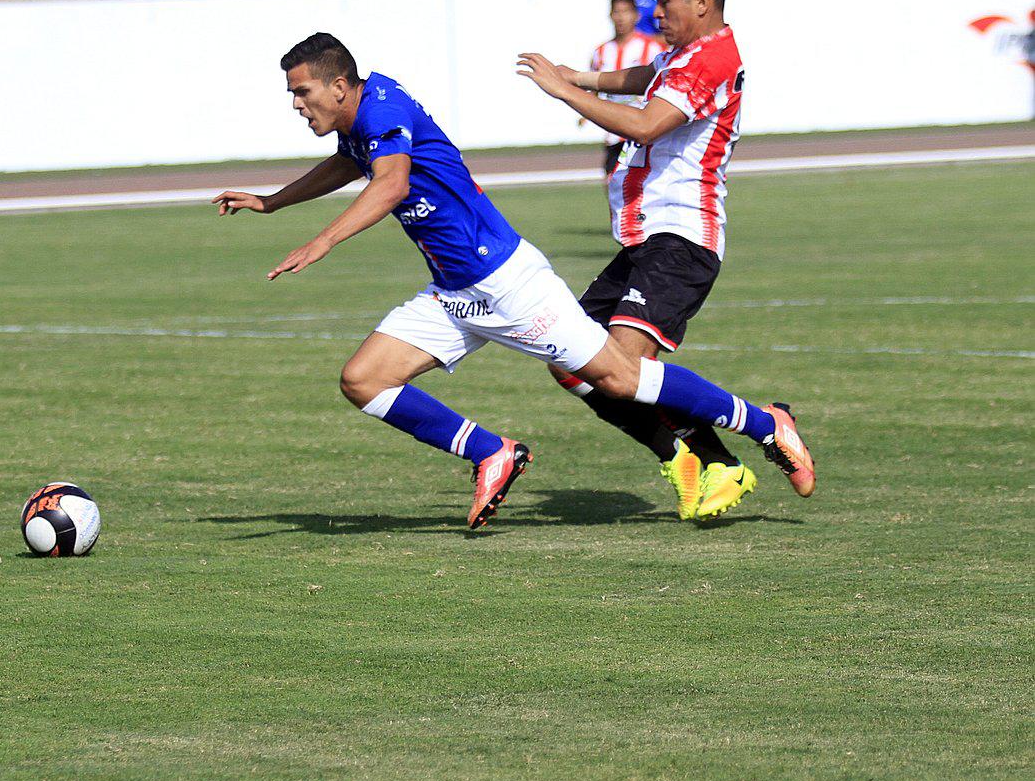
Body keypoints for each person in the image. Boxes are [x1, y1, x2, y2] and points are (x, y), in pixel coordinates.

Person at [212, 32, 815, 530]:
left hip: (506, 283)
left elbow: (390, 182)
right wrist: (273, 203)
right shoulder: (366, 114)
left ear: (338, 86)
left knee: (621, 378)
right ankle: (491, 454)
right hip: (455, 293)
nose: (296, 103)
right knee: (363, 379)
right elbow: (354, 162)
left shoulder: (384, 110)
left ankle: (765, 424)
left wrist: (320, 242)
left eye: (301, 91)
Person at [516, 0, 816, 519]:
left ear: (703, 1)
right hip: (646, 239)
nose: (657, 12)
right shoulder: (685, 53)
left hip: (681, 239)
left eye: (666, 0)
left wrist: (567, 91)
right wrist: (581, 75)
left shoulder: (711, 60)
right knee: (568, 360)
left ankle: (762, 423)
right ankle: (702, 460)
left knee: (622, 370)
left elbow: (650, 123)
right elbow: (644, 77)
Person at [585, 0, 664, 177]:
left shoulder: (652, 48)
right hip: (613, 134)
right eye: (616, 12)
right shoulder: (601, 52)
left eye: (625, 12)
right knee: (613, 188)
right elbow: (595, 89)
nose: (621, 17)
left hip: (642, 133)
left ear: (636, 15)